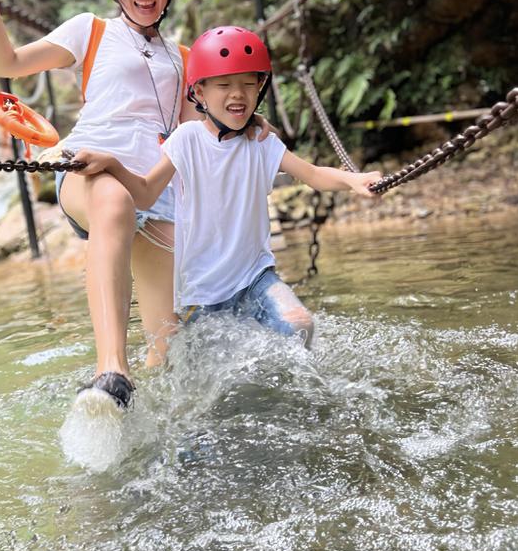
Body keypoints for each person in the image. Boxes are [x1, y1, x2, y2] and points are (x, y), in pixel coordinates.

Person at [0, 0, 271, 416]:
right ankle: (111, 373)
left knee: (169, 349)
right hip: (91, 169)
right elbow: (8, 64)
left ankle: (141, 427)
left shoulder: (185, 58)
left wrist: (250, 124)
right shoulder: (91, 30)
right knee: (112, 198)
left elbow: (203, 133)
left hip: (153, 191)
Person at [70, 26, 383, 345]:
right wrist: (112, 164)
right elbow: (147, 192)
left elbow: (313, 174)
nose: (238, 94)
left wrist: (354, 180)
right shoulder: (187, 140)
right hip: (201, 295)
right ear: (200, 93)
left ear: (260, 89)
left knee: (300, 325)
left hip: (256, 278)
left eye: (249, 85)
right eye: (224, 85)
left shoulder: (262, 143)